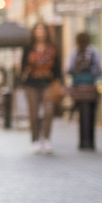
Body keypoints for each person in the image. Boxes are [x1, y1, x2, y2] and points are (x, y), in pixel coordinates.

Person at [20, 22, 61, 155]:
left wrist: (59, 82)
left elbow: (58, 67)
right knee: (34, 113)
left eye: (42, 29)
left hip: (48, 82)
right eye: (37, 29)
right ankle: (35, 140)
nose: (40, 32)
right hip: (32, 83)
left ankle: (47, 139)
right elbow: (22, 66)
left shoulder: (52, 47)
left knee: (48, 111)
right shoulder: (28, 47)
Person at [67, 32, 102, 150]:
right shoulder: (93, 52)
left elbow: (69, 69)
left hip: (77, 87)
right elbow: (98, 70)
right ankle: (89, 141)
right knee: (90, 113)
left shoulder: (74, 52)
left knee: (81, 112)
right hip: (90, 86)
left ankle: (83, 142)